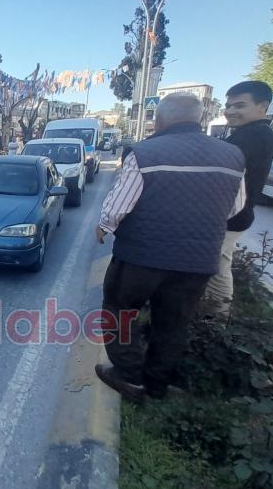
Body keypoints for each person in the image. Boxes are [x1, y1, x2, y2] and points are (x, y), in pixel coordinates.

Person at [94, 93, 246, 402]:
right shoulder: (232, 155)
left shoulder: (145, 153)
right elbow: (234, 208)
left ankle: (129, 377)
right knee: (173, 324)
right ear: (200, 119)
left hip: (141, 257)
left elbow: (119, 206)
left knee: (119, 313)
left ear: (160, 119)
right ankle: (157, 386)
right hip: (197, 261)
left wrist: (104, 227)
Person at [203, 81, 273, 313]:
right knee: (216, 265)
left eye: (240, 105)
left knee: (217, 269)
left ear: (262, 106)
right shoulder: (250, 133)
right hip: (232, 214)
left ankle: (215, 321)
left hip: (231, 215)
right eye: (228, 105)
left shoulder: (254, 136)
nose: (231, 111)